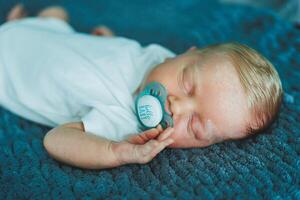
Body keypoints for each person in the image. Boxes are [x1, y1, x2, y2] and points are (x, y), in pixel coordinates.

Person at [0, 4, 283, 169]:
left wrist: (117, 151)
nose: (177, 105)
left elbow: (55, 140)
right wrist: (107, 42)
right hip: (55, 39)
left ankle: (23, 25)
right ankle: (35, 24)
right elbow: (123, 55)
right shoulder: (160, 58)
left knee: (49, 20)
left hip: (10, 68)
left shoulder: (128, 124)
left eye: (195, 127)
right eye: (186, 83)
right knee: (56, 15)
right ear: (185, 53)